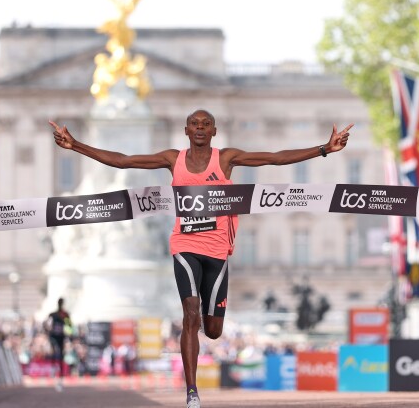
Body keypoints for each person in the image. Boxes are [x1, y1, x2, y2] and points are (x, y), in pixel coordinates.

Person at [50, 109, 352, 408]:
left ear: (214, 132)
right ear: (185, 130)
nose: (199, 128)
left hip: (217, 249)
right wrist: (75, 144)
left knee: (213, 329)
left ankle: (208, 328)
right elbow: (124, 160)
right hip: (184, 244)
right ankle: (192, 391)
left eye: (205, 124)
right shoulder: (173, 159)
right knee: (190, 315)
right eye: (194, 124)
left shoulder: (226, 159)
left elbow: (274, 157)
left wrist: (324, 149)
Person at [45, 298, 72, 391]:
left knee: (60, 355)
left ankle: (59, 375)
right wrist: (48, 331)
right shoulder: (53, 314)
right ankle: (53, 368)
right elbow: (46, 323)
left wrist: (68, 332)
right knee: (54, 352)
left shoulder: (65, 314)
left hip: (60, 337)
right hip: (53, 336)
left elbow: (70, 325)